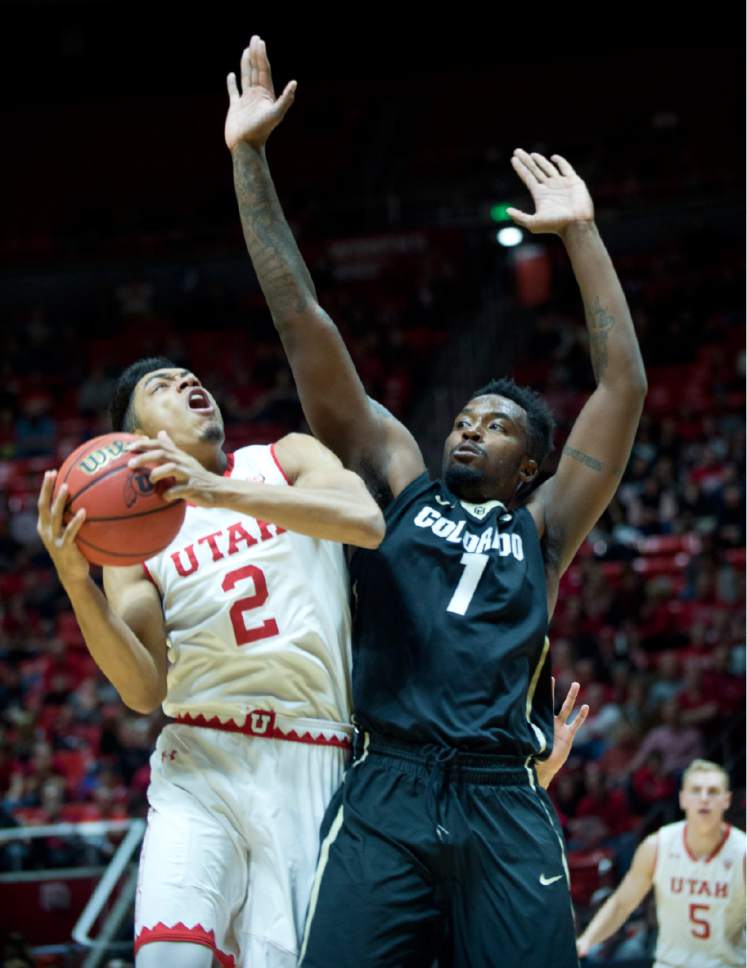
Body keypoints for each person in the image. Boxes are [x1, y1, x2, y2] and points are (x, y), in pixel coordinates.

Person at [225, 35, 646, 968]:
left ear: (533, 465)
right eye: (465, 414)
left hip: (503, 797)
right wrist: (248, 159)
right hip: (389, 788)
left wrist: (579, 233)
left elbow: (620, 390)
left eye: (495, 425)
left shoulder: (544, 531)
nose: (468, 427)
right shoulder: (398, 485)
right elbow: (305, 325)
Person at [36, 356, 386, 967]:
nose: (188, 383)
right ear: (136, 439)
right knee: (170, 957)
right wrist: (77, 582)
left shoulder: (285, 458)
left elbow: (365, 522)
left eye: (190, 376)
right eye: (161, 386)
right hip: (201, 755)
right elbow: (143, 689)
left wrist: (214, 490)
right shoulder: (133, 539)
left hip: (310, 752)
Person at [577, 759, 746, 967]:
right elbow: (622, 903)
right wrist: (586, 940)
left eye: (712, 791)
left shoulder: (742, 852)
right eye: (696, 790)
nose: (704, 799)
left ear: (726, 800)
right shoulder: (657, 846)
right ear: (683, 798)